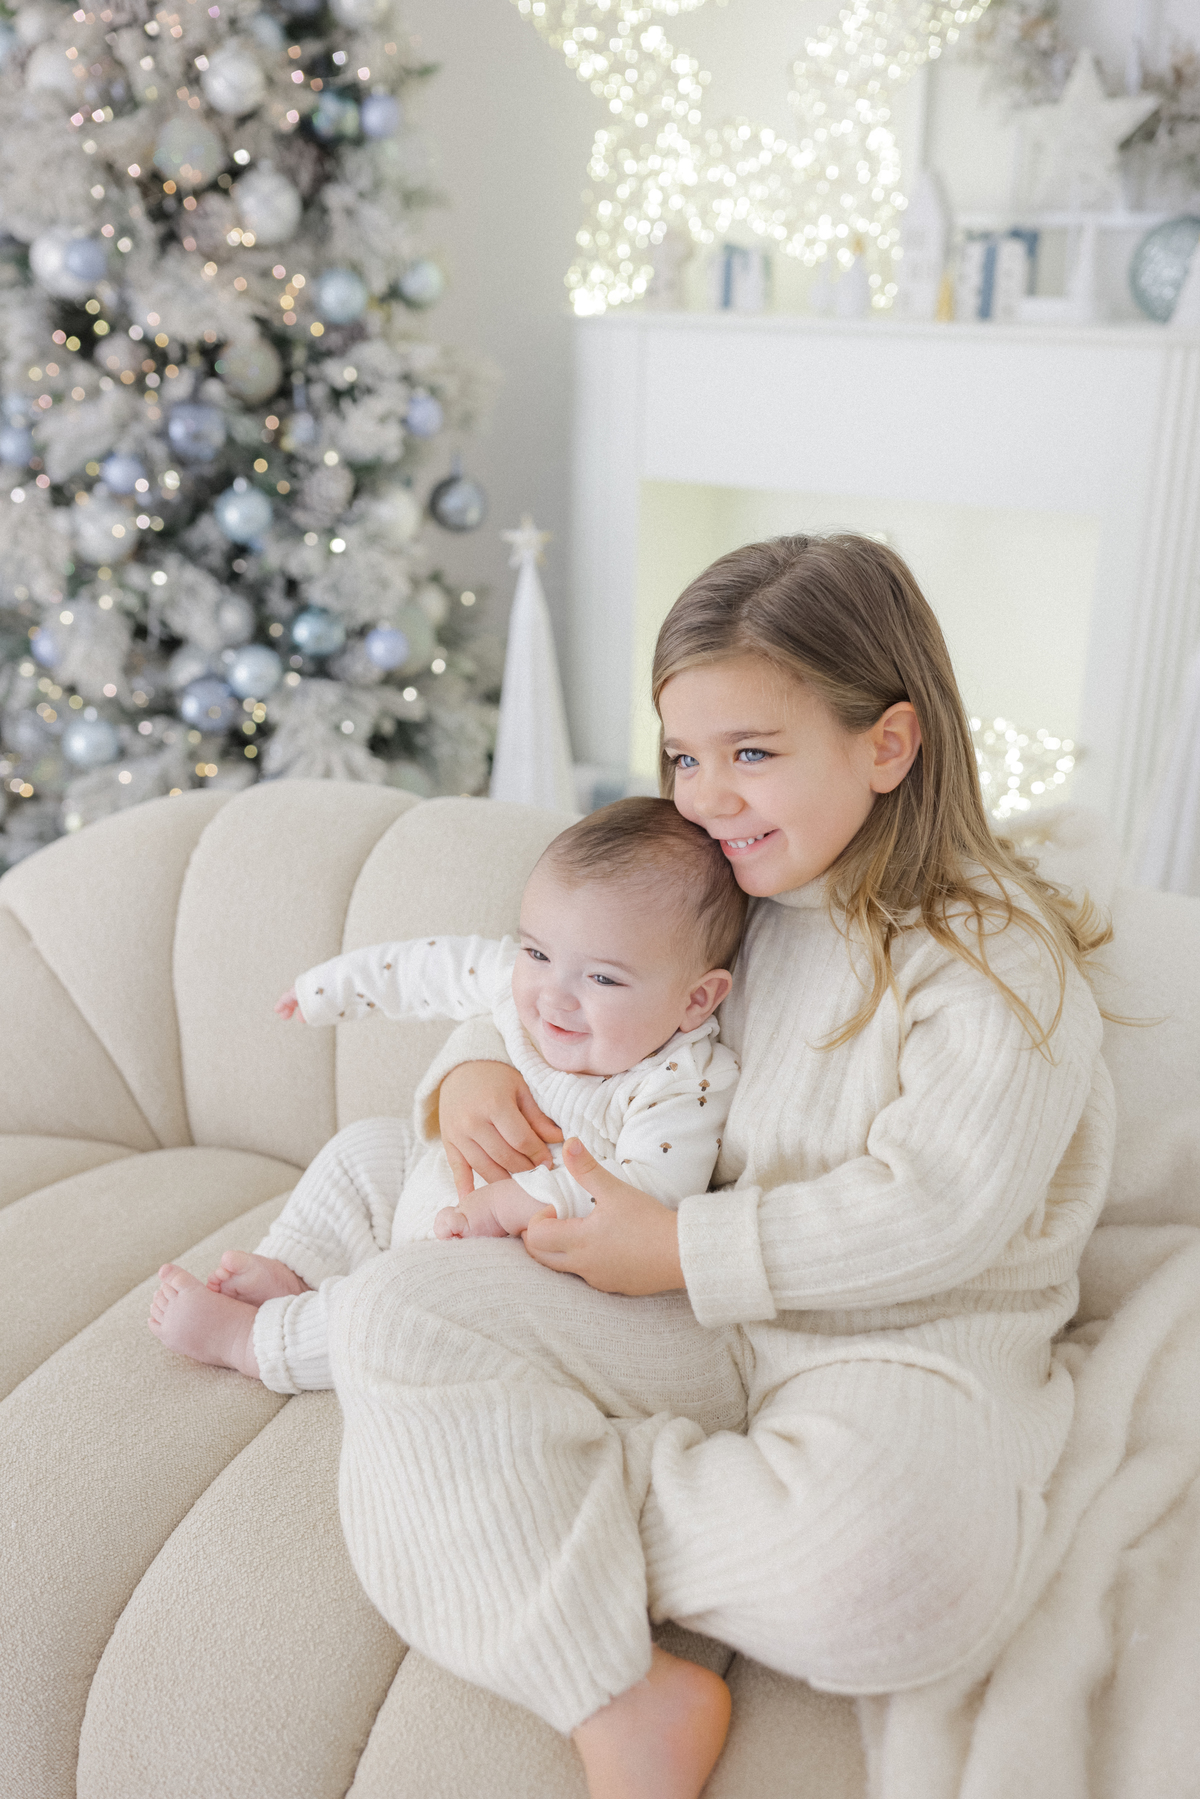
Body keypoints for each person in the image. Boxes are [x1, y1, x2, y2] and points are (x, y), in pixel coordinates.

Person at [321, 534, 1116, 1799]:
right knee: (388, 1312)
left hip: (895, 1349)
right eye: (684, 755)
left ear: (888, 745)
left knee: (897, 1581)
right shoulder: (727, 886)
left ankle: (514, 1485)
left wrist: (682, 1246)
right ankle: (612, 1685)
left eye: (750, 753)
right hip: (691, 1321)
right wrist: (472, 1069)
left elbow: (943, 1207)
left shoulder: (993, 957)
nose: (706, 797)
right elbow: (564, 991)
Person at [148, 798, 744, 1394]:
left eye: (603, 978)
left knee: (409, 1303)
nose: (552, 996)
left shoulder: (685, 1081)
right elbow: (429, 967)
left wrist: (512, 1205)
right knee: (367, 1148)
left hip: (508, 1256)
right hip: (437, 1187)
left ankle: (255, 1342)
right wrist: (325, 990)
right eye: (537, 953)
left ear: (696, 999)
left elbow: (649, 1195)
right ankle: (294, 1269)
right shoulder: (522, 984)